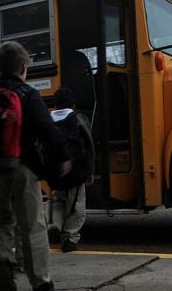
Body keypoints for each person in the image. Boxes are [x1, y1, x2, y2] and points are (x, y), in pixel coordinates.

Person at [0, 41, 71, 291]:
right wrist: (63, 157)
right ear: (23, 66)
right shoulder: (27, 94)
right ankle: (41, 282)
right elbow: (48, 130)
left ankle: (3, 259)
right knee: (32, 225)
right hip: (23, 167)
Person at [47, 87, 95, 253]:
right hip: (75, 172)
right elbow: (88, 146)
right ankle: (70, 238)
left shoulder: (48, 120)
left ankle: (55, 224)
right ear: (73, 104)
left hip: (55, 174)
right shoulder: (78, 119)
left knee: (58, 201)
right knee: (76, 206)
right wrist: (89, 171)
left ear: (55, 104)